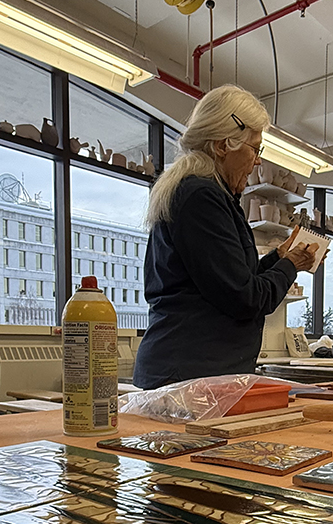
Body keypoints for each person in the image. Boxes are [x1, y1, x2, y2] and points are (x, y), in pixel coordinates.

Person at [133, 85, 320, 389]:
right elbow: (245, 298)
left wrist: (279, 257)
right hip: (187, 376)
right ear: (222, 145)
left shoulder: (207, 194)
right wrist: (291, 265)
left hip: (193, 372)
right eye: (255, 149)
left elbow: (233, 280)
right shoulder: (200, 197)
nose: (257, 161)